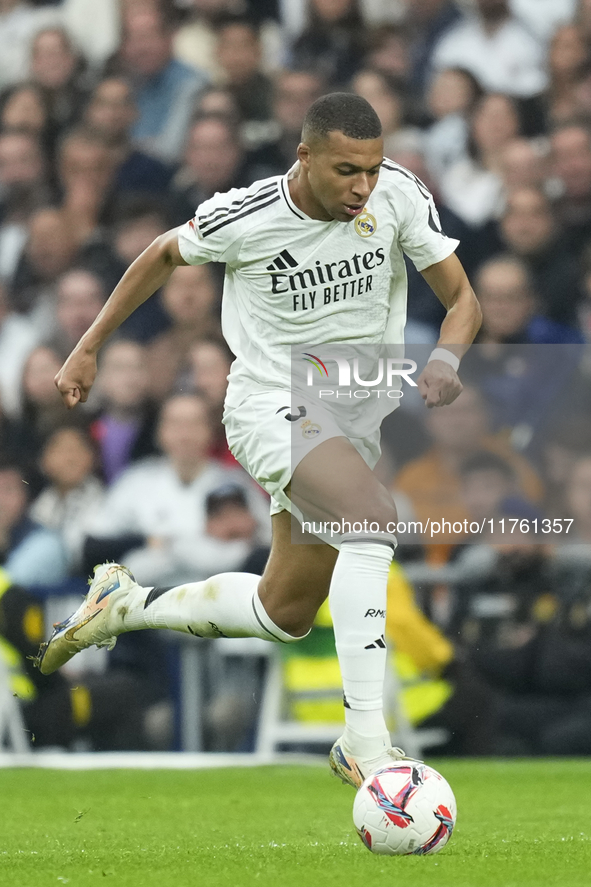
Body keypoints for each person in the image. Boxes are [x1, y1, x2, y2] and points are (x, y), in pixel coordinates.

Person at [37, 92, 481, 788]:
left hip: (351, 418)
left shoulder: (397, 194)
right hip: (271, 403)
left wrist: (446, 360)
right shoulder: (246, 214)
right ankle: (366, 740)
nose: (362, 186)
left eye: (370, 168)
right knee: (372, 520)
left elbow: (462, 300)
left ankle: (125, 605)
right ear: (303, 156)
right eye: (345, 171)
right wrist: (89, 345)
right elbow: (160, 253)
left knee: (285, 613)